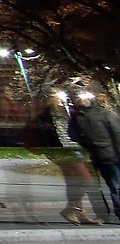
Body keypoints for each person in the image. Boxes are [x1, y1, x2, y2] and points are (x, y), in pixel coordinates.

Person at [29, 95, 98, 226]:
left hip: (73, 147)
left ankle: (78, 211)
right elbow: (53, 132)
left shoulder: (68, 109)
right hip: (62, 149)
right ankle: (71, 209)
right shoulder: (50, 113)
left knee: (74, 180)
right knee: (85, 179)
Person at [69, 89, 120, 224]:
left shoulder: (101, 114)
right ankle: (106, 214)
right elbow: (72, 134)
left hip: (107, 155)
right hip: (98, 155)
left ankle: (113, 213)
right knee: (105, 187)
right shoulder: (79, 116)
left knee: (113, 186)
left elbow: (117, 133)